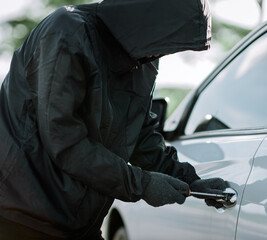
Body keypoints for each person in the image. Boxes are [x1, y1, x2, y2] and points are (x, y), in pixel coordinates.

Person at [0, 0, 227, 239]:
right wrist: (143, 184)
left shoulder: (144, 59)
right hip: (19, 216)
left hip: (78, 223)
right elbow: (64, 140)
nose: (164, 53)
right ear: (148, 18)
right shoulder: (66, 32)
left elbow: (141, 136)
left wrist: (189, 180)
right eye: (168, 42)